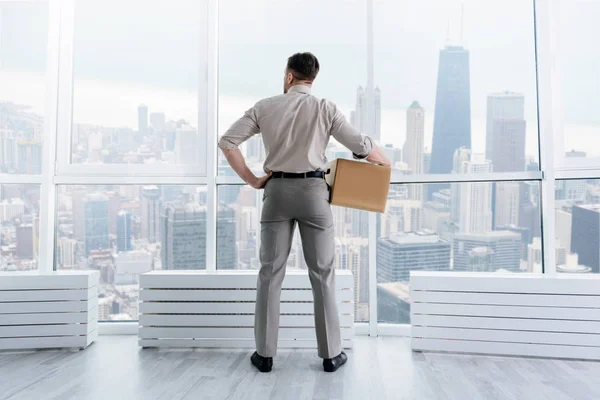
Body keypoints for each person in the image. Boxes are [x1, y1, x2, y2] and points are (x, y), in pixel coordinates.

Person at [218, 52, 391, 373]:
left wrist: (254, 179)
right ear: (313, 78)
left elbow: (228, 141)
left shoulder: (265, 107)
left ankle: (265, 356)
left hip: (277, 193)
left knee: (270, 274)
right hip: (314, 194)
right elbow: (362, 146)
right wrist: (384, 162)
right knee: (322, 274)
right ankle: (331, 355)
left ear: (288, 76)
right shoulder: (325, 108)